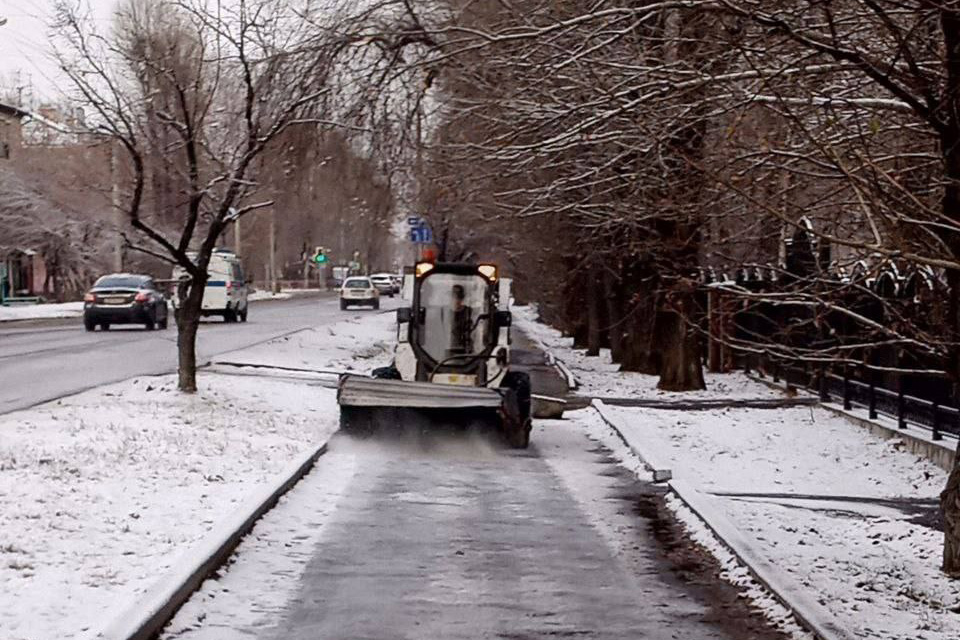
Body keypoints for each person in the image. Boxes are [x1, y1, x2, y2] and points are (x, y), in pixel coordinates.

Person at [449, 284, 473, 354]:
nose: (456, 300)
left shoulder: (469, 312)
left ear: (463, 298)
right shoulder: (444, 313)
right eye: (454, 297)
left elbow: (473, 332)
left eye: (459, 297)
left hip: (465, 351)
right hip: (447, 350)